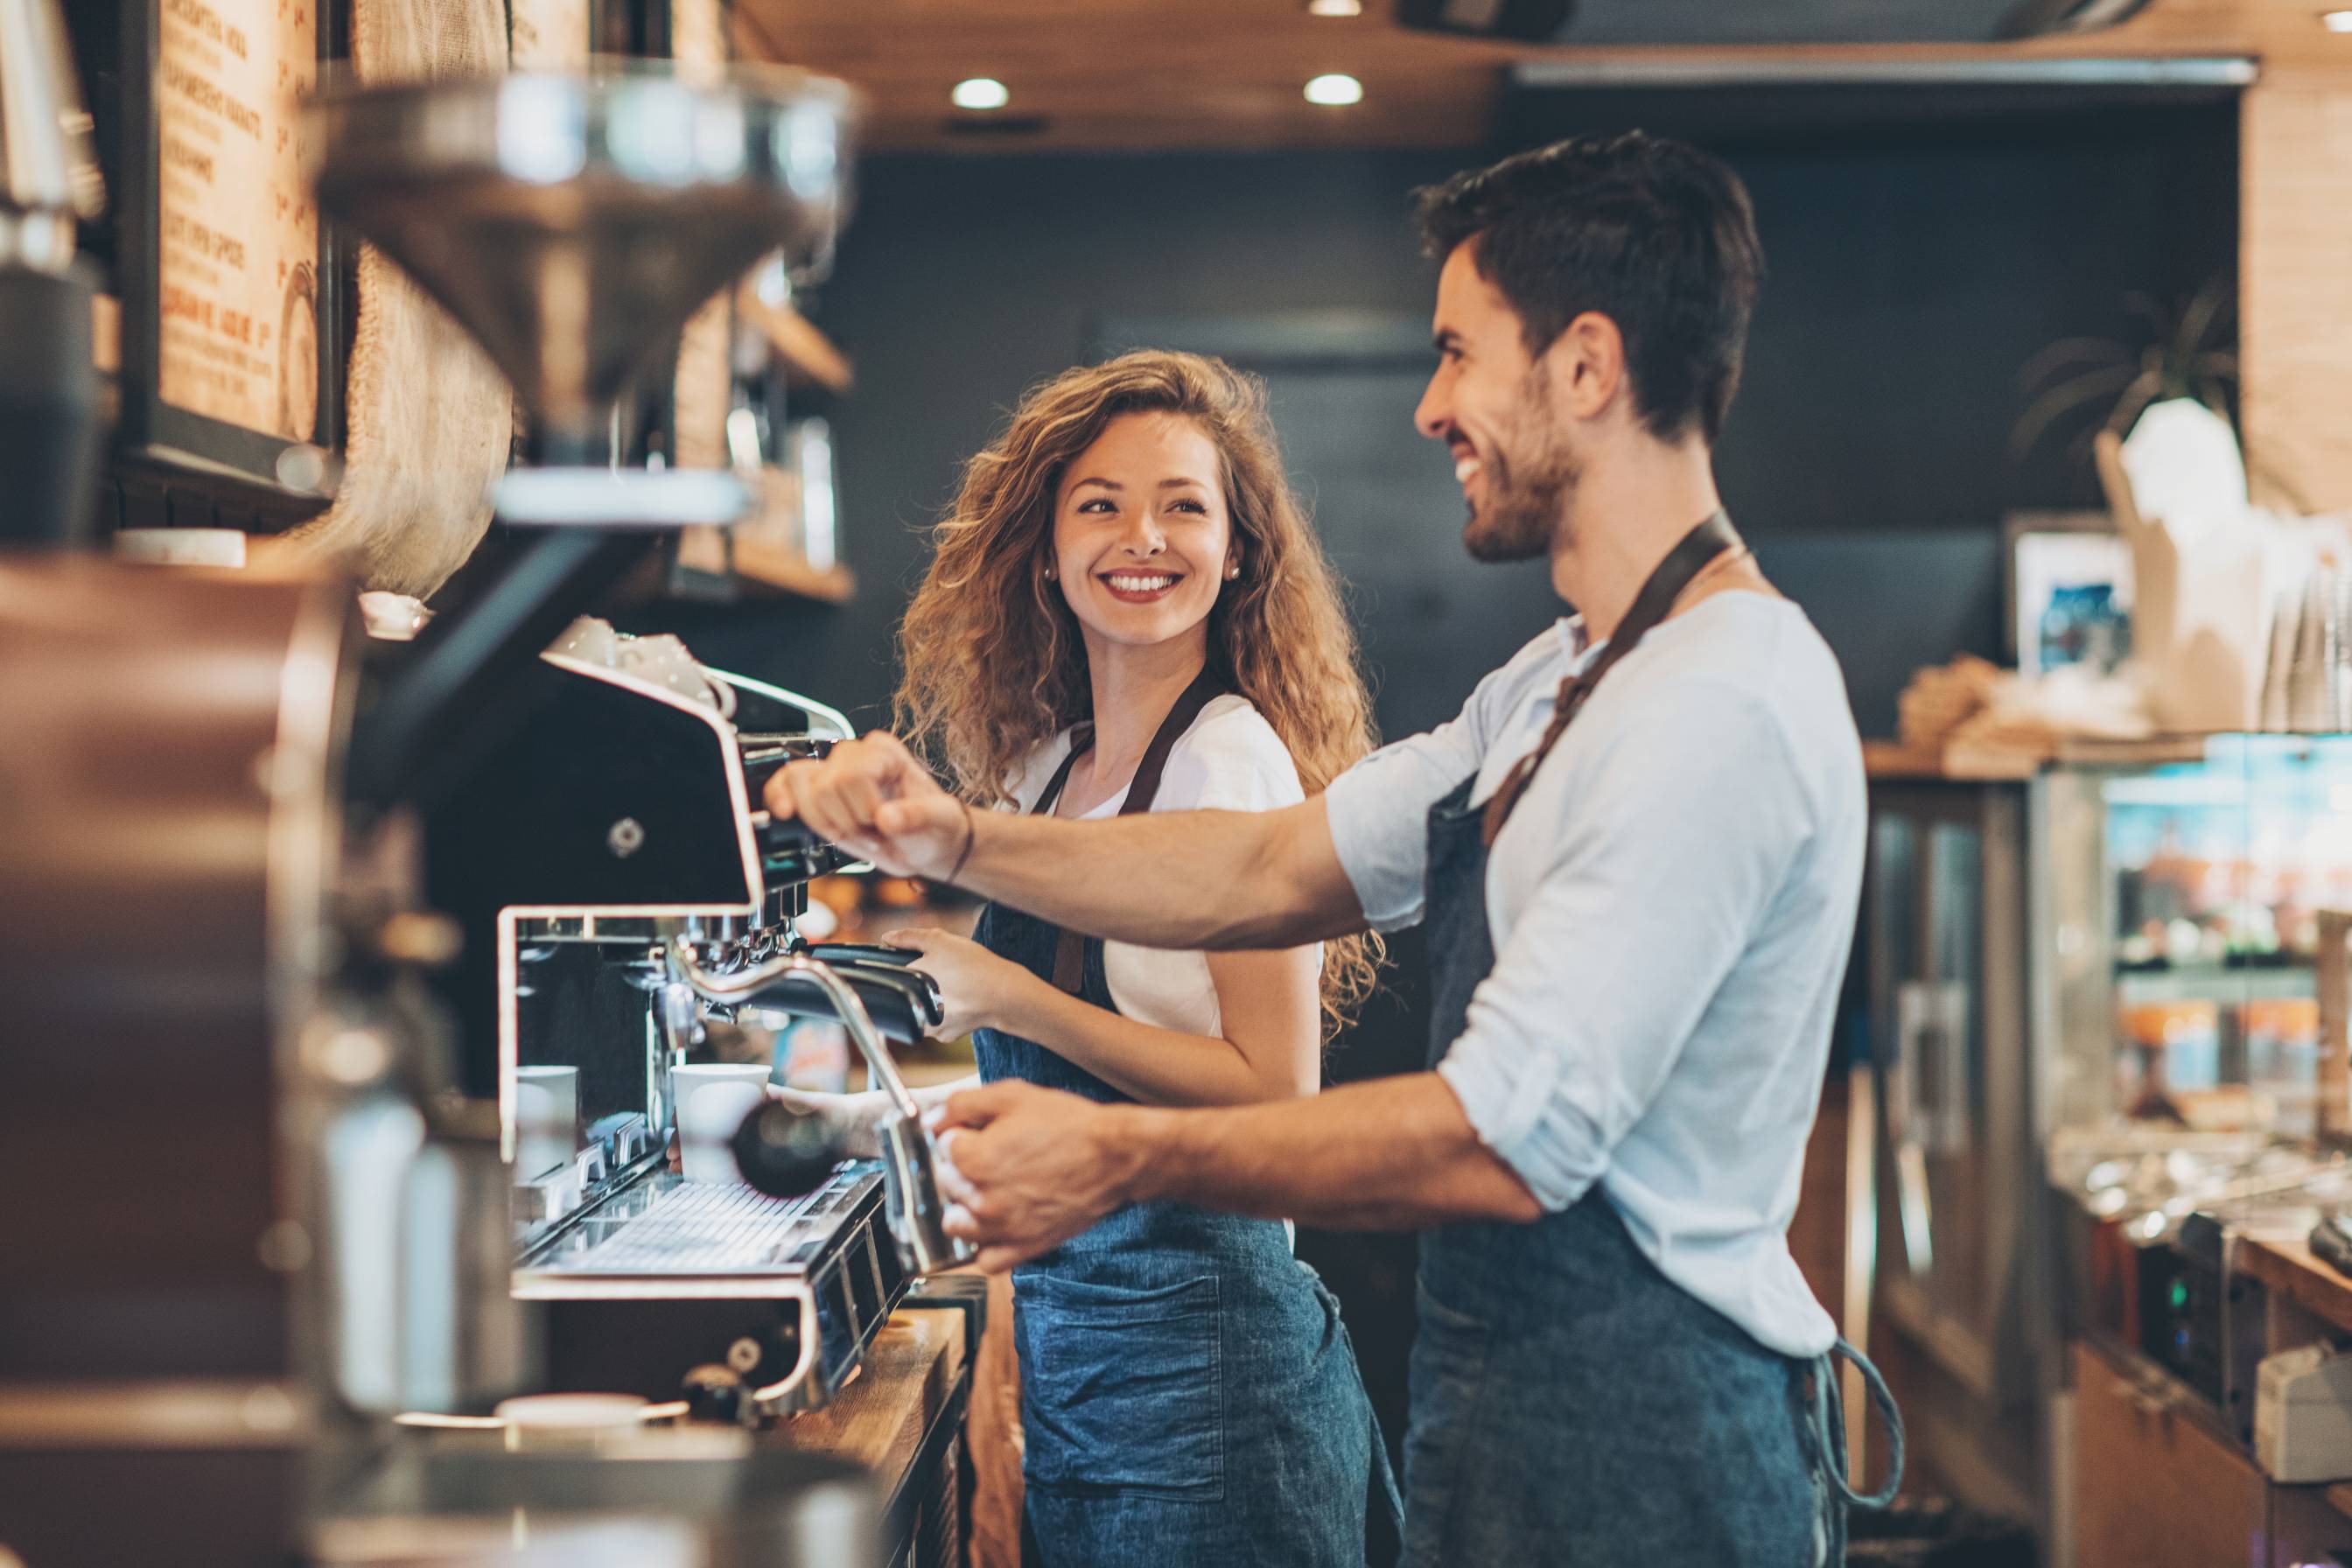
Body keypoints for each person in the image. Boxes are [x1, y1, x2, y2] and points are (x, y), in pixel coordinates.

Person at [766, 132, 1903, 1564]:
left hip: (1655, 1436)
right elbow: (1262, 868)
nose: (1431, 409)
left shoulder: (1715, 702)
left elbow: (1503, 1138)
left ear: (1587, 368)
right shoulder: (1557, 684)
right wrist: (960, 836)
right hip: (1502, 1397)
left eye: (1455, 354)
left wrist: (1114, 1156)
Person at [780, 350, 1402, 1566]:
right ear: (1049, 548)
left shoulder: (1229, 761)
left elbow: (1278, 1097)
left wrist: (1013, 995)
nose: (1142, 538)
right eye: (1101, 503)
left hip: (1212, 1379)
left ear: (1237, 554)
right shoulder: (1051, 768)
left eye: (1184, 505)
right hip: (1093, 1373)